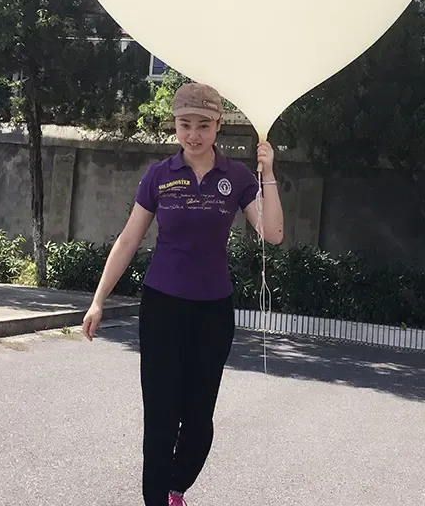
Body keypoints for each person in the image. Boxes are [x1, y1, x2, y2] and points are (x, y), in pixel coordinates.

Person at [82, 82, 284, 506]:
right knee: (159, 416)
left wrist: (269, 175)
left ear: (217, 127)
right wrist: (98, 299)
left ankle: (177, 487)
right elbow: (127, 240)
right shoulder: (159, 175)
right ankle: (157, 500)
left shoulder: (237, 176)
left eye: (204, 125)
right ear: (175, 124)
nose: (194, 134)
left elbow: (273, 233)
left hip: (212, 312)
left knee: (197, 419)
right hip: (162, 307)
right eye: (185, 124)